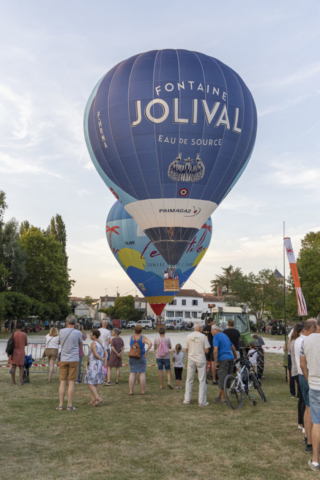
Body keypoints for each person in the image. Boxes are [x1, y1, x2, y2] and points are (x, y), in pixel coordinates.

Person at [300, 316, 320, 471]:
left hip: (314, 386)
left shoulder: (305, 340)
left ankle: (315, 460)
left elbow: (302, 363)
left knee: (317, 423)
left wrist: (308, 379)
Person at [295, 319, 317, 451]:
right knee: (310, 409)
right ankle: (310, 440)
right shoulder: (306, 341)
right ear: (312, 328)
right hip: (308, 375)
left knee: (307, 407)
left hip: (302, 374)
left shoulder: (299, 340)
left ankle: (307, 438)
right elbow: (305, 363)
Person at [56, 315, 83, 411]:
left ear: (67, 322)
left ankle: (60, 405)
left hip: (63, 358)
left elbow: (59, 341)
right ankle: (70, 405)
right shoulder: (78, 333)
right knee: (71, 383)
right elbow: (80, 345)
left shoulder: (61, 331)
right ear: (75, 323)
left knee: (62, 382)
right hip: (74, 359)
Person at [184, 322, 210, 407]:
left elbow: (187, 349)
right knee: (202, 380)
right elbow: (206, 350)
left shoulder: (188, 336)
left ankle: (187, 399)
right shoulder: (203, 337)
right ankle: (201, 401)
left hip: (191, 359)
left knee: (189, 380)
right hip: (200, 359)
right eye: (202, 328)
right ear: (199, 328)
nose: (202, 329)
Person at [211, 325, 237, 404]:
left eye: (212, 330)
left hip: (223, 359)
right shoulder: (225, 336)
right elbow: (233, 348)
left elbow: (215, 351)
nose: (211, 332)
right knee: (226, 379)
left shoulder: (216, 337)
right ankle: (218, 397)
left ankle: (223, 400)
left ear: (215, 330)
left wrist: (215, 363)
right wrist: (235, 358)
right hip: (230, 359)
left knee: (222, 379)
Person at [128, 325, 152, 395]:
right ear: (141, 330)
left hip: (132, 357)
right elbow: (150, 343)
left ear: (134, 330)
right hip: (141, 356)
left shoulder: (131, 337)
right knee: (142, 373)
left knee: (132, 373)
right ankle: (143, 391)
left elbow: (130, 344)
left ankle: (131, 391)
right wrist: (146, 352)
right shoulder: (143, 338)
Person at [84, 329, 105, 406]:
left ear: (94, 335)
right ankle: (94, 400)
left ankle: (97, 398)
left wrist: (102, 358)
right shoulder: (101, 342)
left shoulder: (93, 343)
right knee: (96, 382)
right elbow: (105, 352)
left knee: (90, 382)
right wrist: (104, 360)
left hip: (94, 364)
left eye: (91, 334)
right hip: (99, 364)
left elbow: (95, 355)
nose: (90, 335)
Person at [290, 324, 305, 429]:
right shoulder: (297, 342)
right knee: (303, 399)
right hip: (299, 371)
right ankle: (302, 422)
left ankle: (300, 422)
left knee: (301, 398)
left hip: (296, 370)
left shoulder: (293, 341)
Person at [203, 317, 217, 385]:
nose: (214, 322)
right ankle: (214, 380)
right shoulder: (213, 329)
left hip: (206, 347)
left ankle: (204, 379)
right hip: (212, 347)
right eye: (214, 321)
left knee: (205, 363)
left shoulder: (204, 329)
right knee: (213, 363)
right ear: (211, 321)